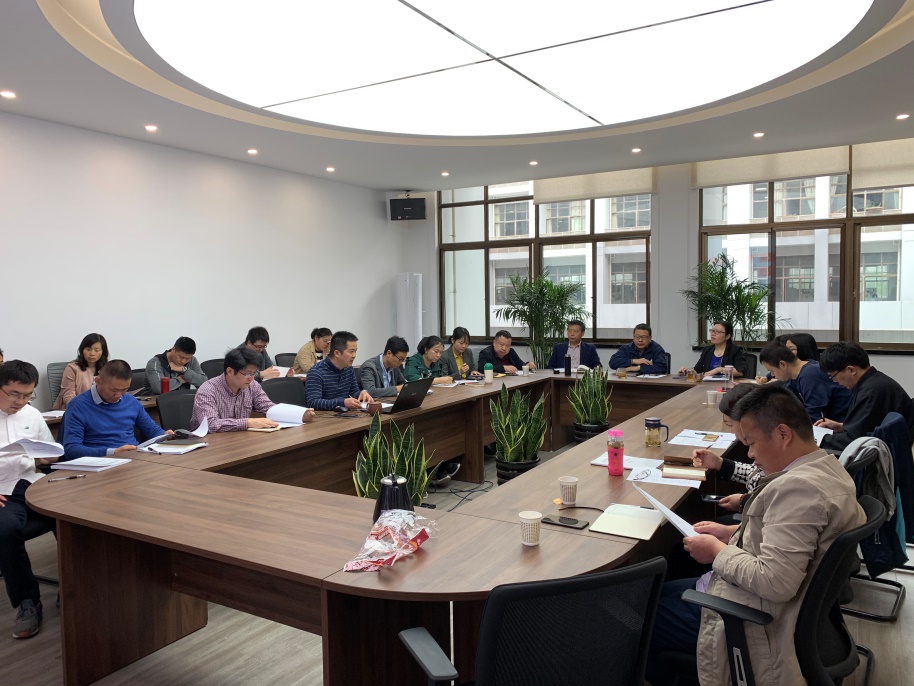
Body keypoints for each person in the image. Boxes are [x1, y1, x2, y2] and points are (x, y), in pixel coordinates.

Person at [649, 384, 865, 685]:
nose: (750, 455)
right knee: (657, 593)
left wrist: (717, 551)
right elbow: (783, 537)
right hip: (767, 603)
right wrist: (732, 532)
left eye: (751, 443)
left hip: (758, 620)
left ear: (783, 434)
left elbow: (775, 582)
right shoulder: (827, 468)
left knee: (641, 616)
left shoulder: (798, 490)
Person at [0, 361, 60, 639]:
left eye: (27, 395)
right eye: (14, 394)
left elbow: (48, 454)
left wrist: (47, 456)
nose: (21, 402)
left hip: (31, 483)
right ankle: (28, 602)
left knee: (73, 514)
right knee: (6, 530)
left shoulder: (32, 414)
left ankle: (75, 585)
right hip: (3, 491)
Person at [61, 359, 170, 460]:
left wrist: (165, 435)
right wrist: (112, 452)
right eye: (114, 390)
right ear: (98, 381)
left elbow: (153, 430)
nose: (119, 395)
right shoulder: (78, 406)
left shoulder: (131, 402)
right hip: (100, 463)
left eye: (124, 390)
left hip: (133, 459)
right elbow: (71, 450)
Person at [817, 341, 914, 452]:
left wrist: (818, 439)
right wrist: (842, 426)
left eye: (832, 376)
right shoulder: (874, 381)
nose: (834, 381)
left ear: (851, 370)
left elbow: (853, 441)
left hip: (881, 453)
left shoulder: (869, 393)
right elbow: (866, 426)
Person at [191, 348, 313, 432]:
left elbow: (268, 407)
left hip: (239, 440)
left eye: (254, 373)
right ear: (230, 371)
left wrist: (299, 414)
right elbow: (211, 425)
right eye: (248, 374)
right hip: (208, 446)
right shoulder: (208, 390)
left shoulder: (252, 385)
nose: (251, 378)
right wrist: (248, 423)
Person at [690, 383, 757, 514]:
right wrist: (720, 463)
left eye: (730, 425)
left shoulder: (769, 446)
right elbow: (756, 474)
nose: (731, 431)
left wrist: (744, 501)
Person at [759, 341, 851, 423]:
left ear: (783, 364)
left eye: (772, 371)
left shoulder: (810, 375)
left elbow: (815, 416)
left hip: (839, 425)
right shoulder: (797, 376)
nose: (772, 375)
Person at [305, 331, 373, 410]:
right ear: (337, 353)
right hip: (323, 416)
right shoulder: (316, 372)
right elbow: (313, 403)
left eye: (355, 351)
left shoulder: (348, 369)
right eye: (351, 351)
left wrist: (362, 393)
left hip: (344, 414)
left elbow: (354, 392)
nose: (354, 355)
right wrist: (342, 402)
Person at [52, 333, 108, 410]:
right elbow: (68, 395)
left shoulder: (107, 369)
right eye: (88, 349)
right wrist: (82, 408)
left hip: (101, 409)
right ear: (82, 350)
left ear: (103, 352)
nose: (92, 353)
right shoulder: (72, 368)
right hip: (78, 409)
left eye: (96, 350)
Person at [680, 321, 747, 378]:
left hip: (727, 385)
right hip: (707, 385)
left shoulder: (735, 350)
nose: (712, 334)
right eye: (712, 331)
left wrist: (718, 370)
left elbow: (739, 372)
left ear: (727, 336)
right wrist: (687, 371)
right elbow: (697, 370)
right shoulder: (707, 350)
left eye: (717, 332)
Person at [142, 336, 207, 395]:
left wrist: (184, 370)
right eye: (181, 357)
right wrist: (180, 380)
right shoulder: (155, 363)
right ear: (173, 349)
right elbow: (159, 388)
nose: (183, 361)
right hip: (154, 402)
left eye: (187, 358)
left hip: (180, 400)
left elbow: (205, 383)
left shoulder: (192, 360)